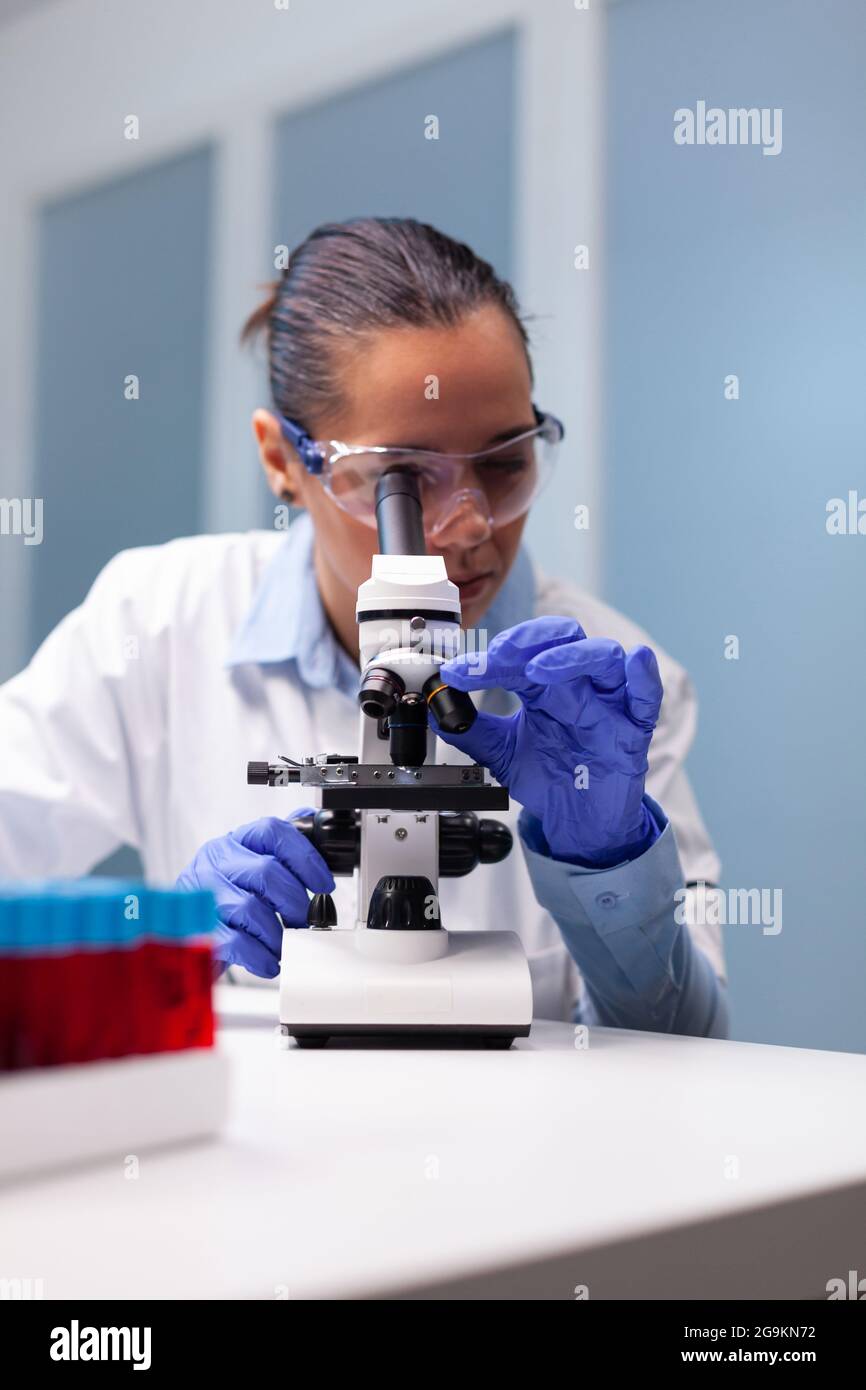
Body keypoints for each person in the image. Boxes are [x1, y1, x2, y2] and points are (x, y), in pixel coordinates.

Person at [0, 217, 726, 1035]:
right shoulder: (157, 617)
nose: (467, 524)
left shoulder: (611, 690)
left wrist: (610, 870)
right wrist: (158, 939)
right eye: (405, 479)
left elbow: (690, 1051)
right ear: (283, 460)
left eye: (503, 461)